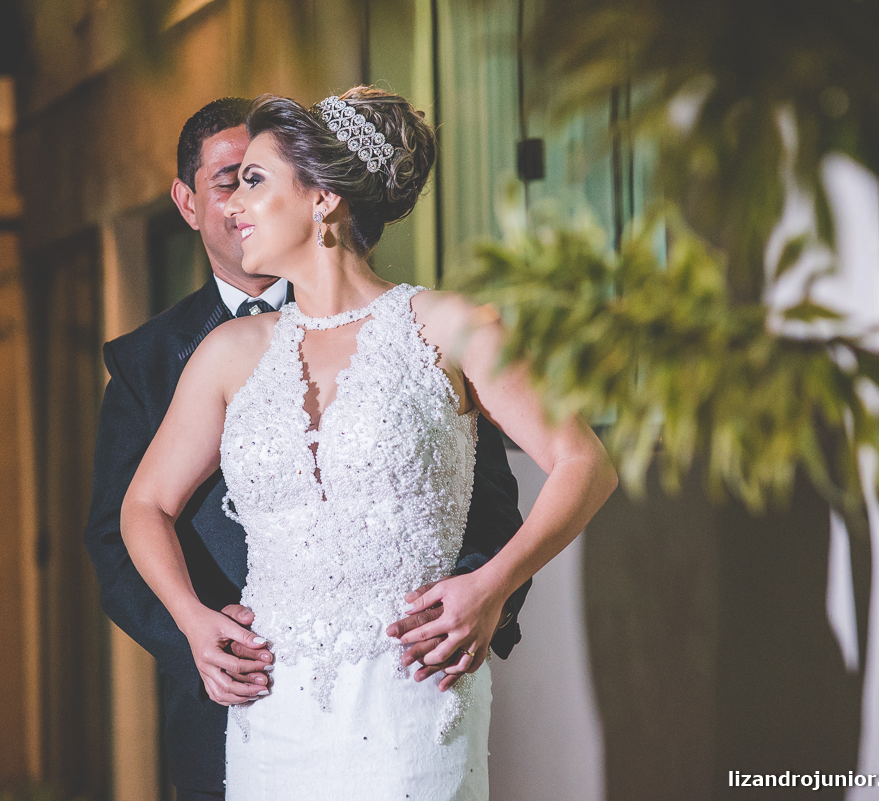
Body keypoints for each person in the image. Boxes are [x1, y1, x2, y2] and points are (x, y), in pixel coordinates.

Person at [119, 87, 618, 800]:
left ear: (323, 198)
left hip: (410, 701)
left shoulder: (452, 326)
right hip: (273, 711)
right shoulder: (230, 353)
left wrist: (491, 584)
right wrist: (194, 621)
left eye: (254, 180)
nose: (232, 205)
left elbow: (585, 464)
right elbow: (144, 505)